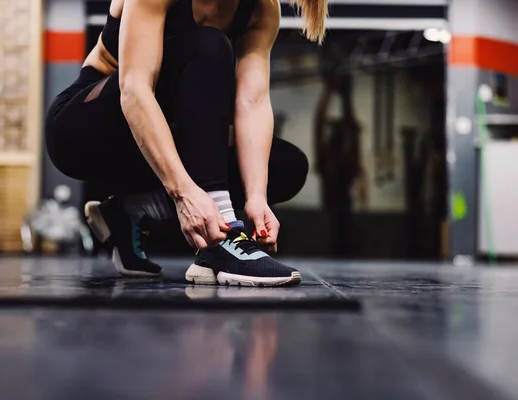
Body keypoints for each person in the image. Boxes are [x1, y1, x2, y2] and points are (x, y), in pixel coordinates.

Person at [44, 0, 329, 286]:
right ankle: (220, 242)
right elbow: (135, 91)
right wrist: (183, 193)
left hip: (157, 140)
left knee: (285, 165)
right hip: (84, 131)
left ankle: (126, 212)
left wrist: (256, 197)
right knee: (208, 44)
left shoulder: (261, 10)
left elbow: (252, 102)